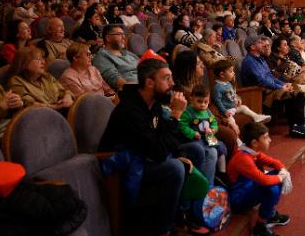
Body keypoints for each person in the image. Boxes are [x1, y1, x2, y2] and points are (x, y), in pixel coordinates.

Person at [99, 58, 190, 236]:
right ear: (149, 83)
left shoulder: (153, 103)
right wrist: (176, 115)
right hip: (123, 165)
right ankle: (163, 229)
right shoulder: (130, 110)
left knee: (191, 151)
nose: (172, 84)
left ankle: (184, 214)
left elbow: (163, 136)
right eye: (167, 79)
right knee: (175, 167)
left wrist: (179, 152)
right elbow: (157, 152)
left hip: (145, 155)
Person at [240, 36, 305, 139]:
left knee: (295, 89)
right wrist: (281, 87)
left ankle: (298, 126)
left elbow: (270, 77)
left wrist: (283, 84)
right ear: (253, 47)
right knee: (295, 93)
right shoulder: (249, 61)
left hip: (270, 89)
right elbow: (262, 81)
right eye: (260, 43)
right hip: (260, 93)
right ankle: (297, 127)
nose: (263, 45)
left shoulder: (261, 59)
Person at [228, 122, 290, 236]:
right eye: (266, 137)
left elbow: (274, 162)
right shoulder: (243, 158)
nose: (270, 140)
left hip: (249, 189)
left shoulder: (251, 151)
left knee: (277, 173)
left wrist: (282, 171)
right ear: (255, 143)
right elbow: (264, 180)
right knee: (271, 188)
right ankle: (259, 228)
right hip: (238, 200)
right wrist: (281, 177)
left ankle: (269, 213)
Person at [212, 58, 271, 135]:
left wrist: (238, 98)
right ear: (222, 74)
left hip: (233, 108)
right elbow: (217, 101)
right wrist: (224, 111)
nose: (233, 73)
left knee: (244, 108)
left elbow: (233, 94)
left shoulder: (228, 83)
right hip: (227, 111)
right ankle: (236, 138)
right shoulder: (218, 87)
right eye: (231, 71)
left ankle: (256, 117)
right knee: (232, 122)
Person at [179, 85, 226, 174]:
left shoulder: (208, 112)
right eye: (199, 101)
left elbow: (214, 122)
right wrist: (192, 133)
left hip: (208, 137)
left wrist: (213, 129)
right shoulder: (188, 113)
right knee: (209, 151)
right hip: (196, 139)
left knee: (221, 147)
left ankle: (222, 173)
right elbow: (182, 125)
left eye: (206, 102)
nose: (203, 104)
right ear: (192, 99)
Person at [8, 47, 73, 110]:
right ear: (25, 63)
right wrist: (54, 107)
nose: (43, 62)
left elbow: (63, 91)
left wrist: (67, 97)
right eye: (38, 59)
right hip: (39, 117)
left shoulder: (47, 76)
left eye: (43, 59)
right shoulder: (16, 81)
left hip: (60, 111)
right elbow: (28, 104)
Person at [92, 24, 139, 91]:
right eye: (119, 34)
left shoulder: (128, 53)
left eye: (123, 34)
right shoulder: (101, 57)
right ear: (108, 38)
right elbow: (116, 80)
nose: (124, 37)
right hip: (133, 91)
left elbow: (145, 68)